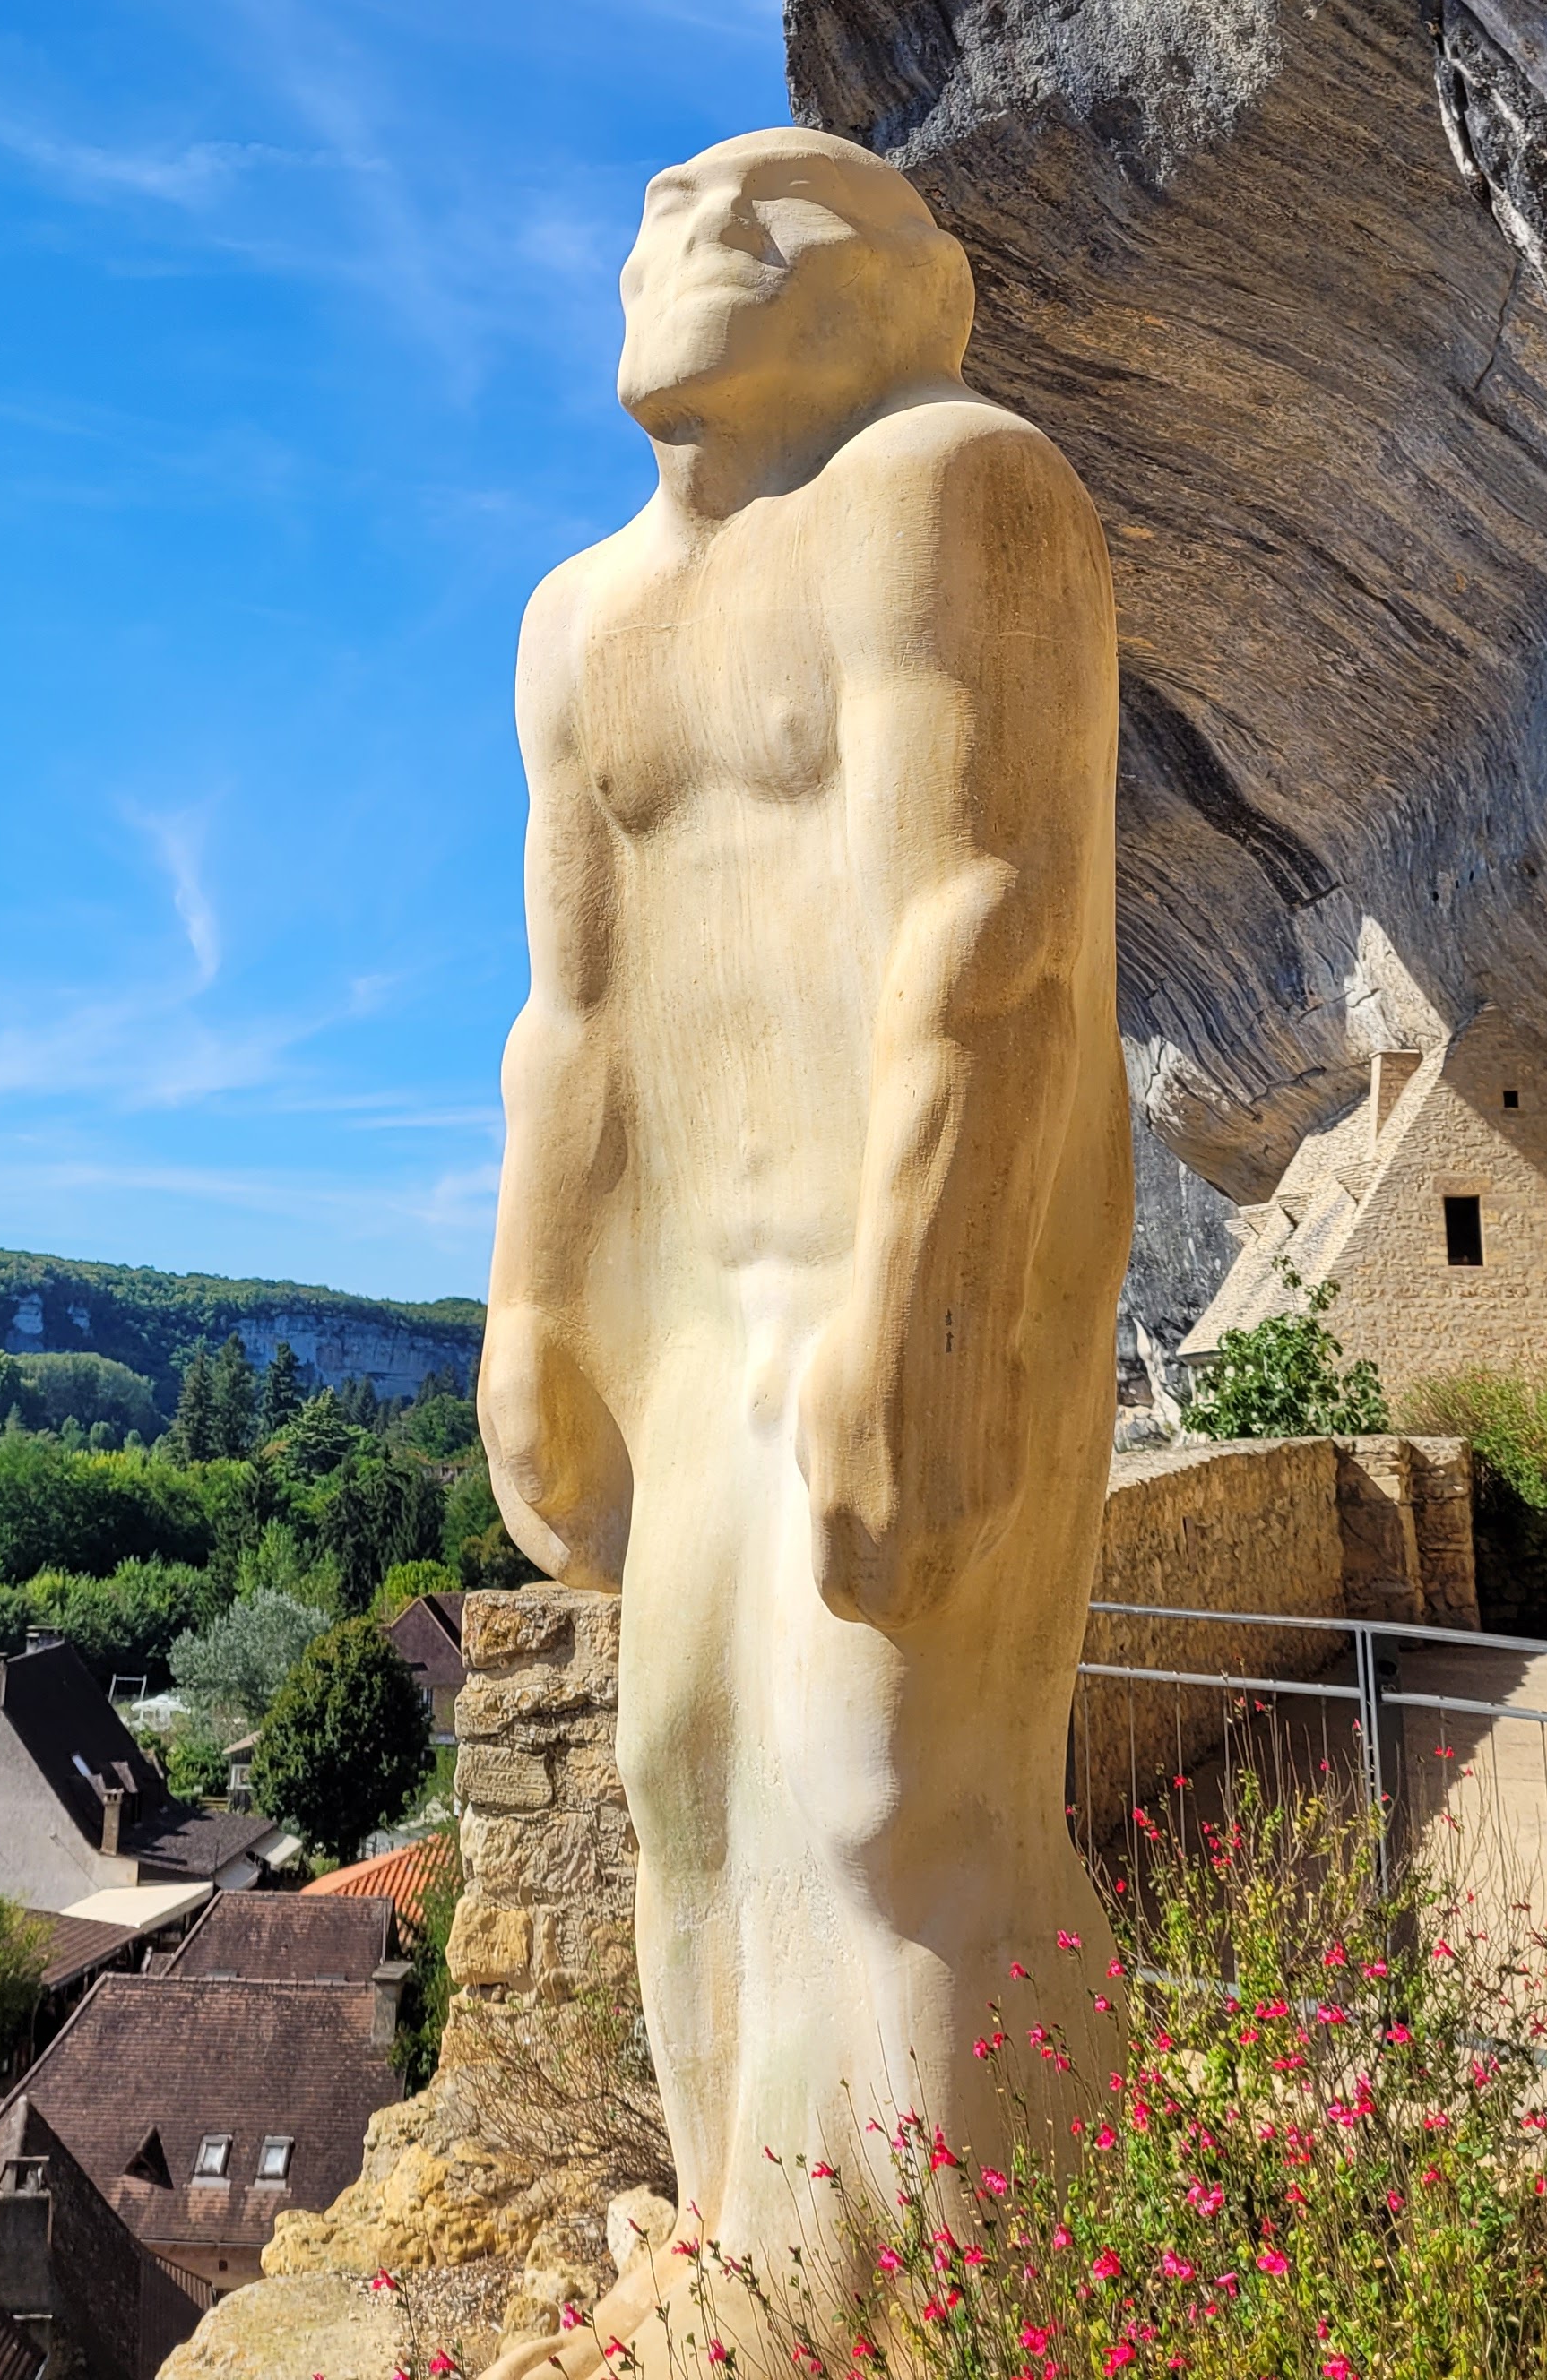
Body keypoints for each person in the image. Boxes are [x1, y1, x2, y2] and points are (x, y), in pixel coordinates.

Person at [478, 128, 1131, 2376]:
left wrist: (923, 1316)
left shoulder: (950, 486)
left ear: (917, 286)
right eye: (665, 204)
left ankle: (998, 2302)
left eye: (769, 207)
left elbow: (992, 930)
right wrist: (529, 1317)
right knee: (679, 1781)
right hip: (694, 1319)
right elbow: (572, 1015)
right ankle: (756, 2257)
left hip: (936, 1267)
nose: (690, 229)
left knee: (895, 1798)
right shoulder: (577, 620)